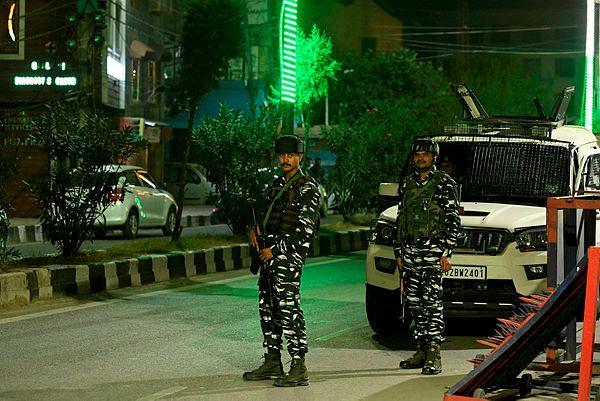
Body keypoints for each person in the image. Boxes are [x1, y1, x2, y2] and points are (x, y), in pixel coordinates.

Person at [243, 134, 321, 387]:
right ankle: (272, 360)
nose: (286, 160)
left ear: (300, 157)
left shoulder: (308, 187)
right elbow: (267, 216)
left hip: (286, 258)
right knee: (268, 309)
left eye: (291, 155)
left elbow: (304, 231)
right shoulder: (276, 185)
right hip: (268, 256)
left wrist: (275, 250)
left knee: (288, 311)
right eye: (282, 155)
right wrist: (254, 231)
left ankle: (298, 366)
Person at [395, 138, 461, 375]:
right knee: (413, 302)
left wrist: (447, 252)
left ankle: (434, 351)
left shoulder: (444, 183)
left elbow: (453, 218)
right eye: (417, 154)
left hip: (433, 252)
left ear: (434, 157)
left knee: (431, 302)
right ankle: (422, 348)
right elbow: (400, 216)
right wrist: (398, 251)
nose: (420, 158)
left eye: (425, 154)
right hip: (410, 251)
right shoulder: (407, 184)